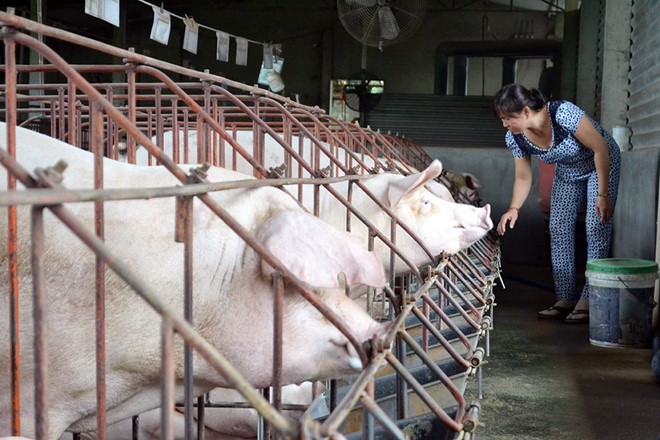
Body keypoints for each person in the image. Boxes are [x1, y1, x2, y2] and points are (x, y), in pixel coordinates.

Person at [493, 83, 621, 323]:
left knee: (596, 226)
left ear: (526, 112)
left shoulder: (562, 114)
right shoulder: (515, 137)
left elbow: (600, 148)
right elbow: (523, 176)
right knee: (558, 227)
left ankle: (589, 298)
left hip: (600, 164)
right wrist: (513, 208)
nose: (504, 124)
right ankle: (566, 298)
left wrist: (602, 195)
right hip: (568, 171)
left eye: (507, 118)